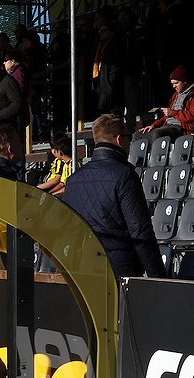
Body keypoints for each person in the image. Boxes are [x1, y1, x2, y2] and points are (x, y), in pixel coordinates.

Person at [62, 114, 165, 279]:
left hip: (83, 270)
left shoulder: (73, 180)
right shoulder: (125, 176)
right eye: (128, 137)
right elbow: (140, 232)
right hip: (120, 271)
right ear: (118, 139)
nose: (130, 142)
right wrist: (159, 277)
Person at [141, 66, 194, 139]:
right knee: (138, 135)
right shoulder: (175, 95)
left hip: (180, 127)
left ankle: (157, 150)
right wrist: (153, 125)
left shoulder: (192, 95)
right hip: (168, 125)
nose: (173, 86)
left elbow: (191, 116)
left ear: (184, 81)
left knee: (158, 133)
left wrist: (173, 113)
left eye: (176, 83)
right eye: (172, 84)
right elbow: (166, 116)